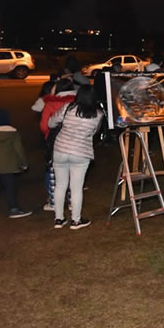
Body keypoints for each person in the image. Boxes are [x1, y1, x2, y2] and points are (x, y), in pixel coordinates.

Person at [47, 85, 103, 230]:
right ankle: (76, 221)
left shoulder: (68, 108)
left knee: (60, 185)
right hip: (81, 152)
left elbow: (51, 122)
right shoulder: (98, 114)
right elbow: (94, 132)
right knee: (76, 188)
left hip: (60, 149)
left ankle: (59, 219)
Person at [39, 78, 77, 212]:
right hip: (74, 141)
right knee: (74, 173)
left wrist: (48, 135)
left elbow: (44, 126)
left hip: (55, 142)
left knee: (54, 173)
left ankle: (54, 203)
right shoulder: (76, 102)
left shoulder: (50, 104)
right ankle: (73, 202)